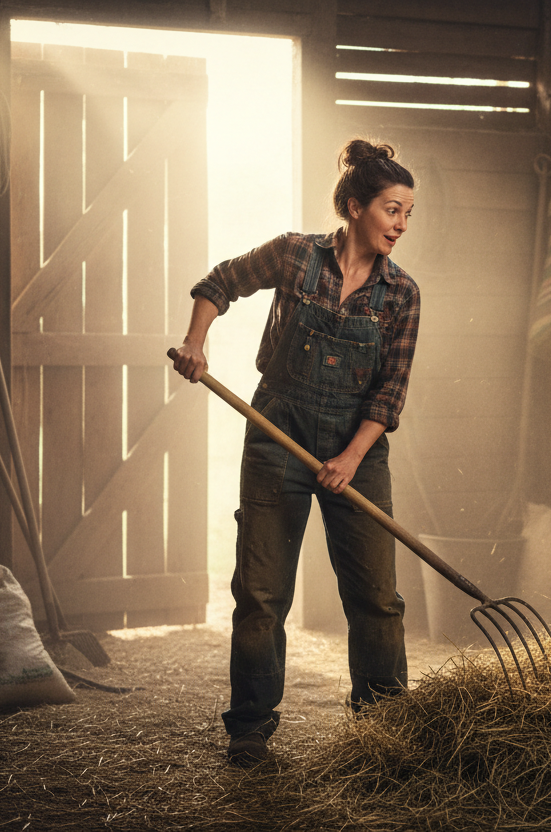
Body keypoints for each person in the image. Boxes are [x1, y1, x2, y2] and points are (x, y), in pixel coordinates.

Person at [171, 139, 419, 766]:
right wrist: (196, 342)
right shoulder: (295, 256)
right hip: (276, 429)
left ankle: (384, 726)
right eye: (392, 209)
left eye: (408, 214)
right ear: (356, 206)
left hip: (355, 446)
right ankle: (250, 728)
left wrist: (351, 457)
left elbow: (389, 392)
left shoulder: (401, 295)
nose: (401, 224)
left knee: (377, 598)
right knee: (261, 592)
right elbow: (217, 283)